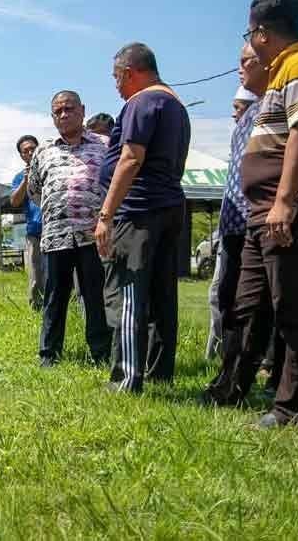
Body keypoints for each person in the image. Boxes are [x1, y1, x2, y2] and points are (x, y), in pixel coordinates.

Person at [213, 0, 298, 428]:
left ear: (261, 32)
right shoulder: (280, 75)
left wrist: (285, 202)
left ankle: (295, 407)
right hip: (260, 212)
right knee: (247, 307)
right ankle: (229, 389)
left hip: (290, 210)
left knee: (294, 307)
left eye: (250, 34)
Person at [96, 43, 191, 394]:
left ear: (129, 71)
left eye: (116, 78)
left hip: (138, 211)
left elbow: (131, 159)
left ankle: (126, 377)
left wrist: (106, 214)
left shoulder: (143, 102)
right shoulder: (176, 105)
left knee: (131, 293)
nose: (116, 87)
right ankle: (159, 373)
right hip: (167, 207)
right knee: (163, 294)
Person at [27, 91, 113, 366]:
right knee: (55, 297)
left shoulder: (104, 145)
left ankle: (101, 354)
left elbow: (114, 184)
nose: (64, 115)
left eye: (69, 109)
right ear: (53, 117)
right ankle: (49, 355)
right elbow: (35, 190)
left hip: (93, 236)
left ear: (83, 110)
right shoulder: (43, 150)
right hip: (55, 237)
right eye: (58, 111)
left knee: (94, 297)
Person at [206, 57, 267, 361]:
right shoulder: (244, 123)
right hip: (232, 225)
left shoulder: (268, 112)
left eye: (247, 61)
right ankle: (229, 362)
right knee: (226, 295)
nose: (233, 112)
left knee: (251, 300)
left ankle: (260, 362)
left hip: (253, 220)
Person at [11, 135, 45, 310]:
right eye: (26, 150)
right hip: (35, 232)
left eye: (33, 148)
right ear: (21, 155)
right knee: (36, 273)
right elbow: (15, 201)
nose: (30, 152)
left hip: (57, 230)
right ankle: (36, 309)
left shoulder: (50, 169)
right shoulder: (19, 177)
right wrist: (26, 180)